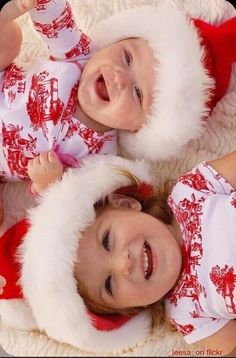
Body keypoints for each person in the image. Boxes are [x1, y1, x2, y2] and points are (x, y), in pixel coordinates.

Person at [0, 151, 236, 355]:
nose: (123, 264)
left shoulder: (189, 193)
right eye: (109, 285)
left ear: (126, 204)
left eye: (107, 241)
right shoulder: (188, 315)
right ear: (131, 310)